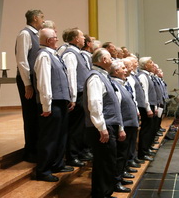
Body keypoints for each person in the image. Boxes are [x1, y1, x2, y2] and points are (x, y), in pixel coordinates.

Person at [82, 48, 126, 198]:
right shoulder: (95, 77)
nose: (113, 60)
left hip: (107, 126)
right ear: (104, 60)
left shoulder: (103, 76)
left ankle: (104, 193)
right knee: (104, 163)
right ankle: (101, 194)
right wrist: (102, 127)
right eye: (110, 58)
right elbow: (94, 104)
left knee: (108, 161)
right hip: (101, 128)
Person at [34, 28, 74, 182]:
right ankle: (43, 171)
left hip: (60, 101)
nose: (57, 40)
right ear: (50, 40)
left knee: (60, 135)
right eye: (55, 38)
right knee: (49, 137)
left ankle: (57, 164)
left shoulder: (53, 55)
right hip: (52, 103)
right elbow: (44, 82)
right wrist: (46, 106)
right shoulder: (44, 56)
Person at [15, 9, 44, 163]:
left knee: (36, 114)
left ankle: (36, 148)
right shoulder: (25, 34)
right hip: (27, 80)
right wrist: (28, 84)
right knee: (30, 114)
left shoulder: (36, 35)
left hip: (34, 79)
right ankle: (30, 151)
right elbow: (22, 61)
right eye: (41, 17)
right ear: (34, 18)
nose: (43, 20)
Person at [110, 60, 140, 193]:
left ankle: (120, 177)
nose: (126, 70)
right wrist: (121, 127)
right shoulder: (115, 84)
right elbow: (117, 108)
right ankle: (116, 181)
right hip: (125, 125)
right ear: (116, 71)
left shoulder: (122, 83)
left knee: (125, 154)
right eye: (123, 68)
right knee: (121, 155)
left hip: (130, 124)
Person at [61, 28, 90, 167]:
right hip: (77, 95)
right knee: (75, 127)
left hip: (82, 94)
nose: (84, 38)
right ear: (75, 39)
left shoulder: (78, 53)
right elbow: (71, 76)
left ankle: (80, 151)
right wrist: (72, 97)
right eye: (81, 36)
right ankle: (72, 155)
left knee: (82, 126)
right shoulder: (70, 54)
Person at [138, 57, 157, 161]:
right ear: (145, 65)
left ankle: (147, 148)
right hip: (147, 106)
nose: (152, 64)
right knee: (146, 130)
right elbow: (144, 94)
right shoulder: (142, 76)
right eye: (150, 62)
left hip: (151, 105)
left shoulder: (147, 75)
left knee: (150, 129)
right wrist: (148, 108)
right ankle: (142, 152)